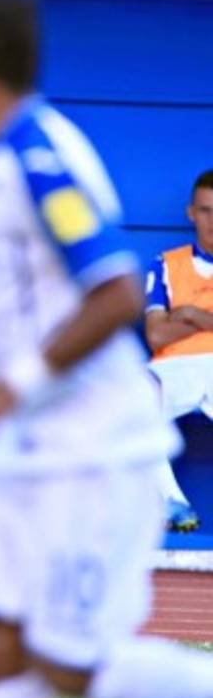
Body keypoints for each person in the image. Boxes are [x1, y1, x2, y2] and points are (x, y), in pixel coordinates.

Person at [0, 0, 213, 698]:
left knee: (71, 667)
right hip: (36, 444)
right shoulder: (9, 158)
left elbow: (114, 292)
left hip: (92, 449)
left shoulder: (39, 157)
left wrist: (14, 385)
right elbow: (45, 294)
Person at [143, 169, 213, 533]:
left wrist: (192, 315)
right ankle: (173, 502)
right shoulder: (167, 264)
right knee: (137, 391)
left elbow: (169, 327)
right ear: (191, 213)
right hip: (176, 368)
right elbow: (155, 335)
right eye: (205, 210)